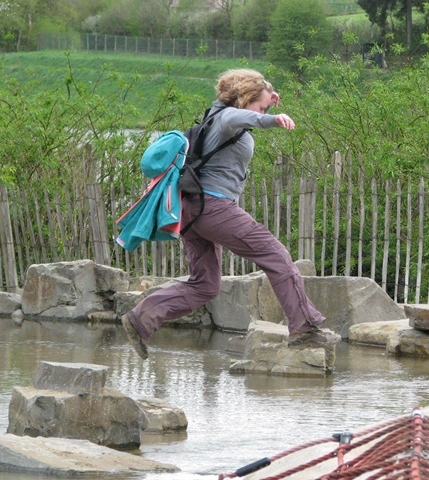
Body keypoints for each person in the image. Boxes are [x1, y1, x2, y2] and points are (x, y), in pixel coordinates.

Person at [121, 68, 338, 360]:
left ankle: (140, 317)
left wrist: (268, 102)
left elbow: (247, 114)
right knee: (277, 257)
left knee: (205, 285)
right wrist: (270, 120)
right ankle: (305, 329)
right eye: (261, 104)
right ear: (246, 99)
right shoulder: (227, 119)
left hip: (193, 211)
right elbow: (243, 117)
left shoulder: (215, 116)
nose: (266, 109)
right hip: (215, 208)